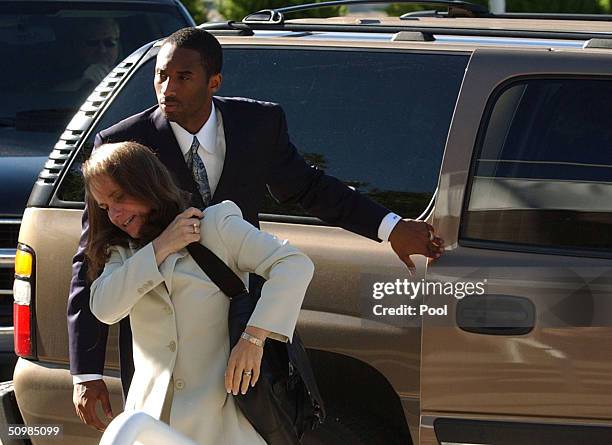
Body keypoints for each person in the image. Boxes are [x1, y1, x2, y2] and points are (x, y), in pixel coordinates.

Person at [69, 27, 445, 431]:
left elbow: (309, 188)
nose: (167, 87)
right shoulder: (125, 142)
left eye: (183, 77)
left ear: (214, 81)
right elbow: (91, 254)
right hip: (164, 337)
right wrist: (86, 373)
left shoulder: (258, 123)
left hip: (242, 324)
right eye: (160, 75)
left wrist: (390, 227)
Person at [83, 141, 311, 443]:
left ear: (146, 182)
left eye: (119, 197)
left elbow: (294, 264)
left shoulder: (216, 225)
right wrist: (161, 246)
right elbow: (104, 308)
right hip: (152, 428)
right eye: (104, 207)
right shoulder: (122, 252)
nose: (114, 214)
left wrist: (253, 338)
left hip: (224, 426)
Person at [55, 18, 120, 92]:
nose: (102, 50)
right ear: (78, 45)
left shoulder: (133, 72)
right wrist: (84, 84)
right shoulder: (60, 74)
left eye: (110, 42)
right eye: (93, 42)